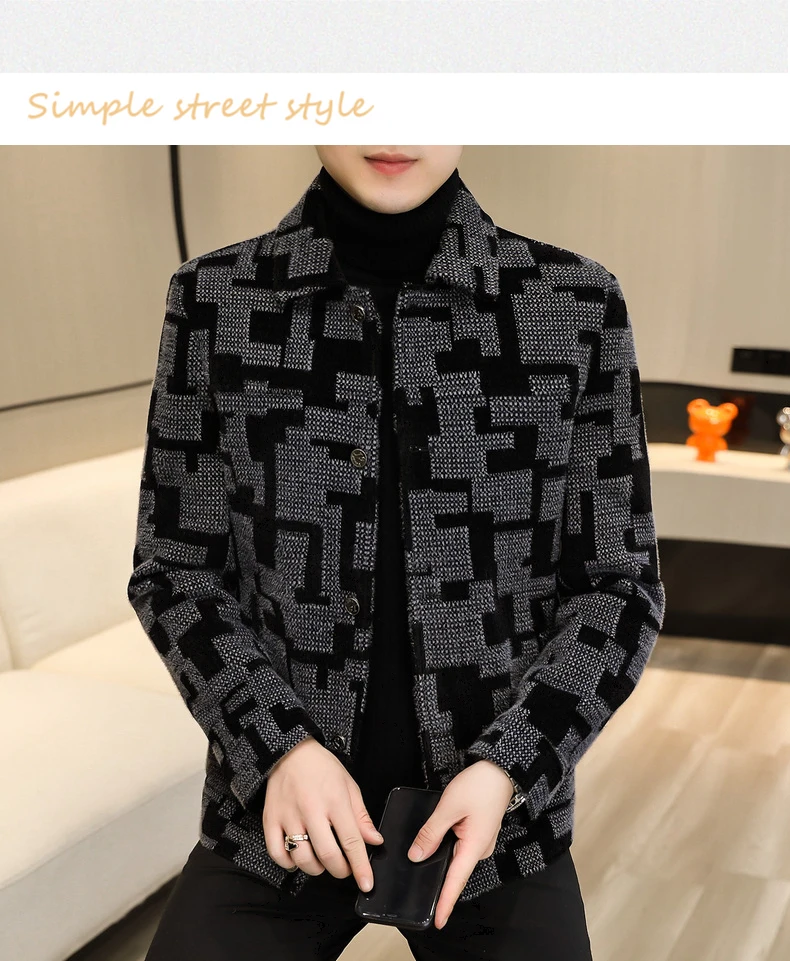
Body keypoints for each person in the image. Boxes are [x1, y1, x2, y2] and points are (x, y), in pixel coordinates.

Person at [129, 145, 665, 960]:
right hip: (277, 821)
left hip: (493, 832)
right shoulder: (214, 299)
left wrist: (508, 769)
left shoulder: (575, 304)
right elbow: (174, 571)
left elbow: (620, 587)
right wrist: (279, 748)